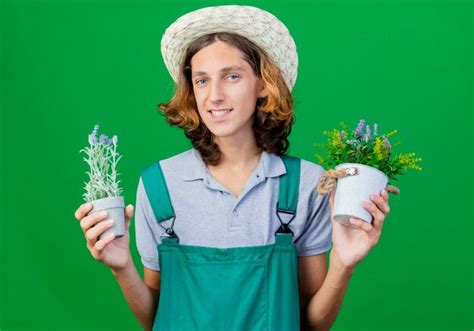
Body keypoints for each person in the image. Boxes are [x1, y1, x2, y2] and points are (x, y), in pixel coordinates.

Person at [74, 5, 391, 331]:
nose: (214, 96)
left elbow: (311, 323)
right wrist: (122, 267)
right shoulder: (160, 185)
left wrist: (343, 264)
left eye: (232, 76)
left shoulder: (306, 184)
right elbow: (156, 318)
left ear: (264, 84)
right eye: (201, 80)